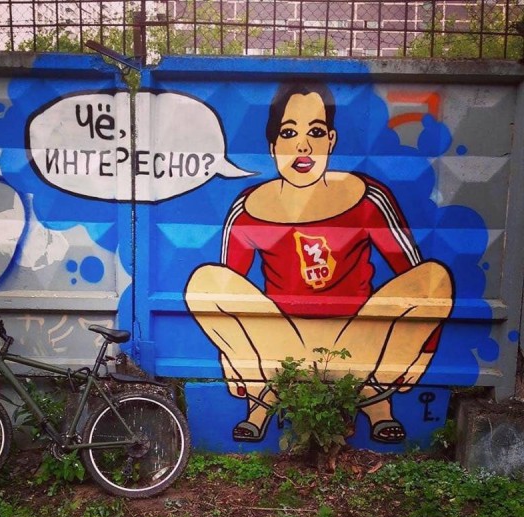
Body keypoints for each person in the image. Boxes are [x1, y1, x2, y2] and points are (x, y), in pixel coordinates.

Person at [185, 81, 453, 443]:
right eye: (288, 133)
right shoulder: (248, 208)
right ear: (272, 146)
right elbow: (226, 286)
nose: (303, 145)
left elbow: (418, 278)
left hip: (357, 335)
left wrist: (423, 353)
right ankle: (262, 398)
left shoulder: (368, 197)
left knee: (435, 277)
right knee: (203, 281)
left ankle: (375, 399)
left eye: (315, 131)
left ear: (331, 140)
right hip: (279, 338)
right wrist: (230, 356)